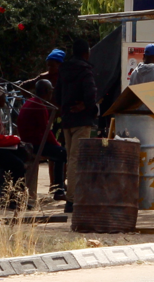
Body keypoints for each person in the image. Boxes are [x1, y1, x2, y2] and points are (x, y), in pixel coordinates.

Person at [54, 38, 97, 214]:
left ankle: (72, 198)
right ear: (86, 52)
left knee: (70, 157)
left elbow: (57, 95)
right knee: (76, 160)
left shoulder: (63, 70)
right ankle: (72, 200)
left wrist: (65, 110)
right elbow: (91, 94)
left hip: (67, 120)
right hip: (82, 121)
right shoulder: (86, 70)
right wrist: (87, 107)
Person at [17, 79, 67, 199]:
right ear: (46, 92)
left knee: (58, 153)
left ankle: (57, 186)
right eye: (50, 91)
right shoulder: (39, 105)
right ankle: (58, 190)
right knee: (62, 153)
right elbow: (46, 131)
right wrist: (57, 144)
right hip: (34, 144)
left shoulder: (31, 101)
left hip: (29, 141)